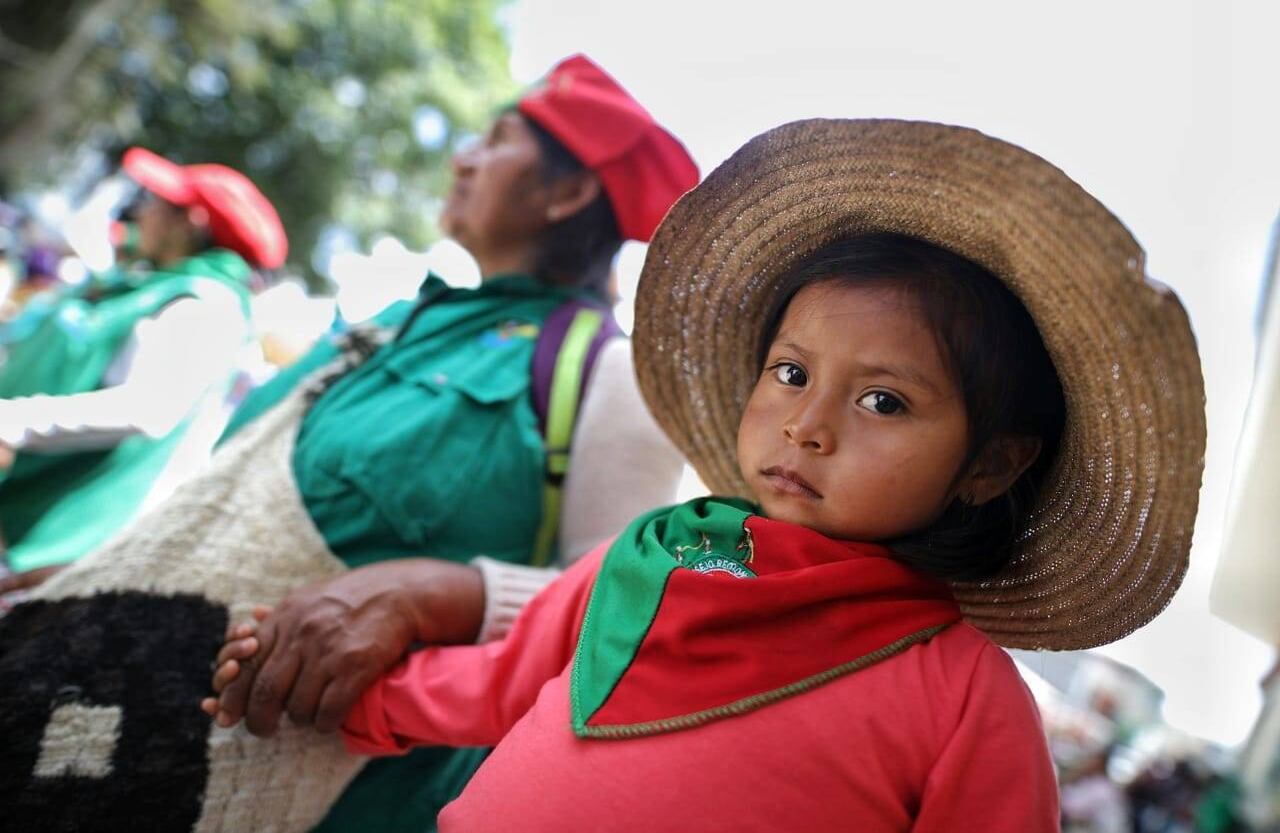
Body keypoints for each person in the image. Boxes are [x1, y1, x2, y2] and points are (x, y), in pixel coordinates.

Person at [209, 118, 1207, 830]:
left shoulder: (964, 699)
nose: (807, 424)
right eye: (789, 372)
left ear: (989, 464)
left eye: (882, 401)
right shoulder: (646, 558)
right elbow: (500, 683)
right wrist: (333, 694)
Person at [196, 53, 696, 830]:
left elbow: (620, 616)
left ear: (566, 193)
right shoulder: (399, 320)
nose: (463, 157)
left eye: (497, 141)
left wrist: (436, 594)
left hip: (356, 792)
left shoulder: (609, 373)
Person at [0, 148, 284, 587]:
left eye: (158, 204)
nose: (144, 212)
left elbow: (148, 409)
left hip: (59, 541)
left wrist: (14, 421)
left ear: (190, 222)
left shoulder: (207, 304)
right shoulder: (157, 287)